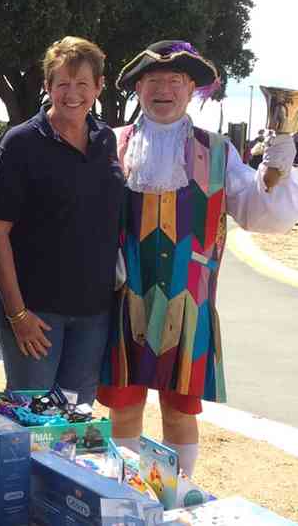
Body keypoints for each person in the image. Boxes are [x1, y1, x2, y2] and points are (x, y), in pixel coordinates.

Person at [97, 40, 298, 477]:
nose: (163, 89)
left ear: (191, 89)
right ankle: (122, 497)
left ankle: (175, 496)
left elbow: (264, 216)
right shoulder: (113, 144)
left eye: (174, 80)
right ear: (137, 89)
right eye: (152, 80)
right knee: (124, 408)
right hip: (122, 296)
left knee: (179, 413)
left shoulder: (220, 150)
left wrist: (279, 164)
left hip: (191, 301)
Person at [0, 36, 124, 404]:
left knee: (75, 423)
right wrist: (18, 314)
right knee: (30, 421)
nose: (72, 93)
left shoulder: (106, 140)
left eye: (82, 84)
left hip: (93, 316)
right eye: (62, 83)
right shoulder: (20, 144)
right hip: (36, 313)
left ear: (98, 87)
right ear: (48, 86)